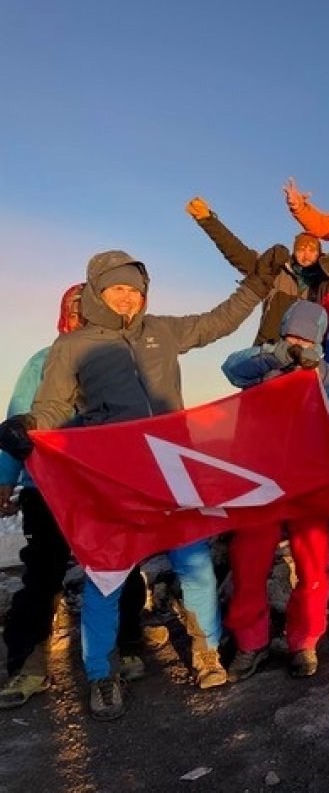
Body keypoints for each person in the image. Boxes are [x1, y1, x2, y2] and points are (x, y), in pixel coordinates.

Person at [0, 247, 282, 720]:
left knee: (193, 563)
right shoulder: (74, 346)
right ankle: (100, 673)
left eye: (134, 290)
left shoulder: (163, 331)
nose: (127, 298)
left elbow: (218, 322)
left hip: (170, 470)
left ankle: (206, 652)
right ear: (97, 293)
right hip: (114, 477)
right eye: (117, 289)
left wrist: (255, 286)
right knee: (106, 573)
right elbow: (54, 406)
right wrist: (28, 423)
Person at [0, 286, 148, 709]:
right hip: (47, 486)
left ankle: (130, 646)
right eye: (75, 310)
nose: (81, 317)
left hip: (107, 483)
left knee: (121, 565)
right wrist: (6, 477)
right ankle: (28, 666)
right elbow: (18, 418)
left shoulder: (122, 358)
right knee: (42, 573)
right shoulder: (42, 361)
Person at [220, 301, 329, 680]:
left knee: (313, 564)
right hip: (261, 481)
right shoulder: (261, 367)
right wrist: (275, 354)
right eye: (291, 336)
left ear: (318, 339)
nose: (298, 343)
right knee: (249, 564)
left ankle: (304, 640)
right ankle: (251, 643)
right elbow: (230, 368)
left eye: (305, 338)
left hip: (309, 483)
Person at [186, 196, 329, 344]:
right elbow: (237, 252)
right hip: (268, 347)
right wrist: (209, 220)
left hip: (304, 356)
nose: (306, 255)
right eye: (301, 249)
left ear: (319, 253)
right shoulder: (276, 270)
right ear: (294, 251)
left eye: (312, 250)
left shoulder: (325, 282)